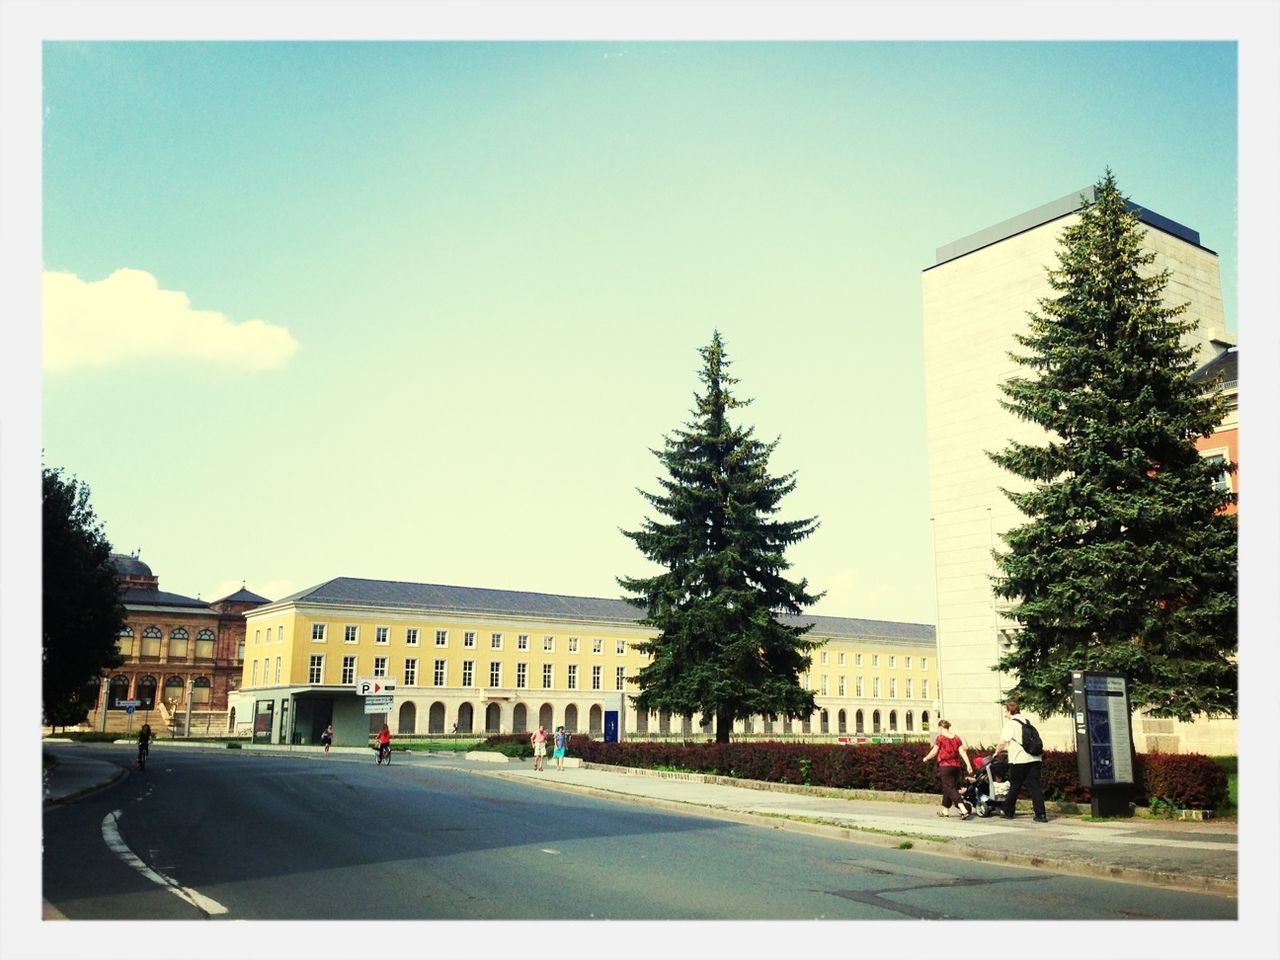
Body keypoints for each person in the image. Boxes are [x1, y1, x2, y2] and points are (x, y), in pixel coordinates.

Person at [996, 700, 1048, 822]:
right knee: (1035, 785)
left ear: (1009, 711)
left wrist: (996, 752)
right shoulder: (1027, 722)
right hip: (1035, 758)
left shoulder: (1010, 724)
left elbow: (1003, 742)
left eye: (1005, 710)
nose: (1005, 713)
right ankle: (1041, 814)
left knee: (1015, 785)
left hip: (1019, 760)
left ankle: (1008, 810)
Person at [921, 719, 973, 818]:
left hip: (945, 766)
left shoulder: (940, 738)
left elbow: (934, 751)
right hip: (956, 767)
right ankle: (945, 810)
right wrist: (968, 764)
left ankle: (963, 809)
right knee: (947, 788)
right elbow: (962, 751)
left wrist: (926, 758)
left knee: (950, 788)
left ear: (941, 727)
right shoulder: (956, 738)